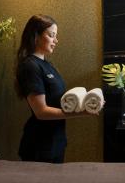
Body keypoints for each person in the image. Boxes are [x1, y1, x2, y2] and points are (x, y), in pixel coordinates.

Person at [15, 14, 84, 163]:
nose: (56, 41)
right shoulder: (30, 66)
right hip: (39, 146)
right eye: (52, 35)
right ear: (36, 36)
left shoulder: (48, 65)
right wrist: (81, 113)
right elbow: (41, 112)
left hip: (56, 142)